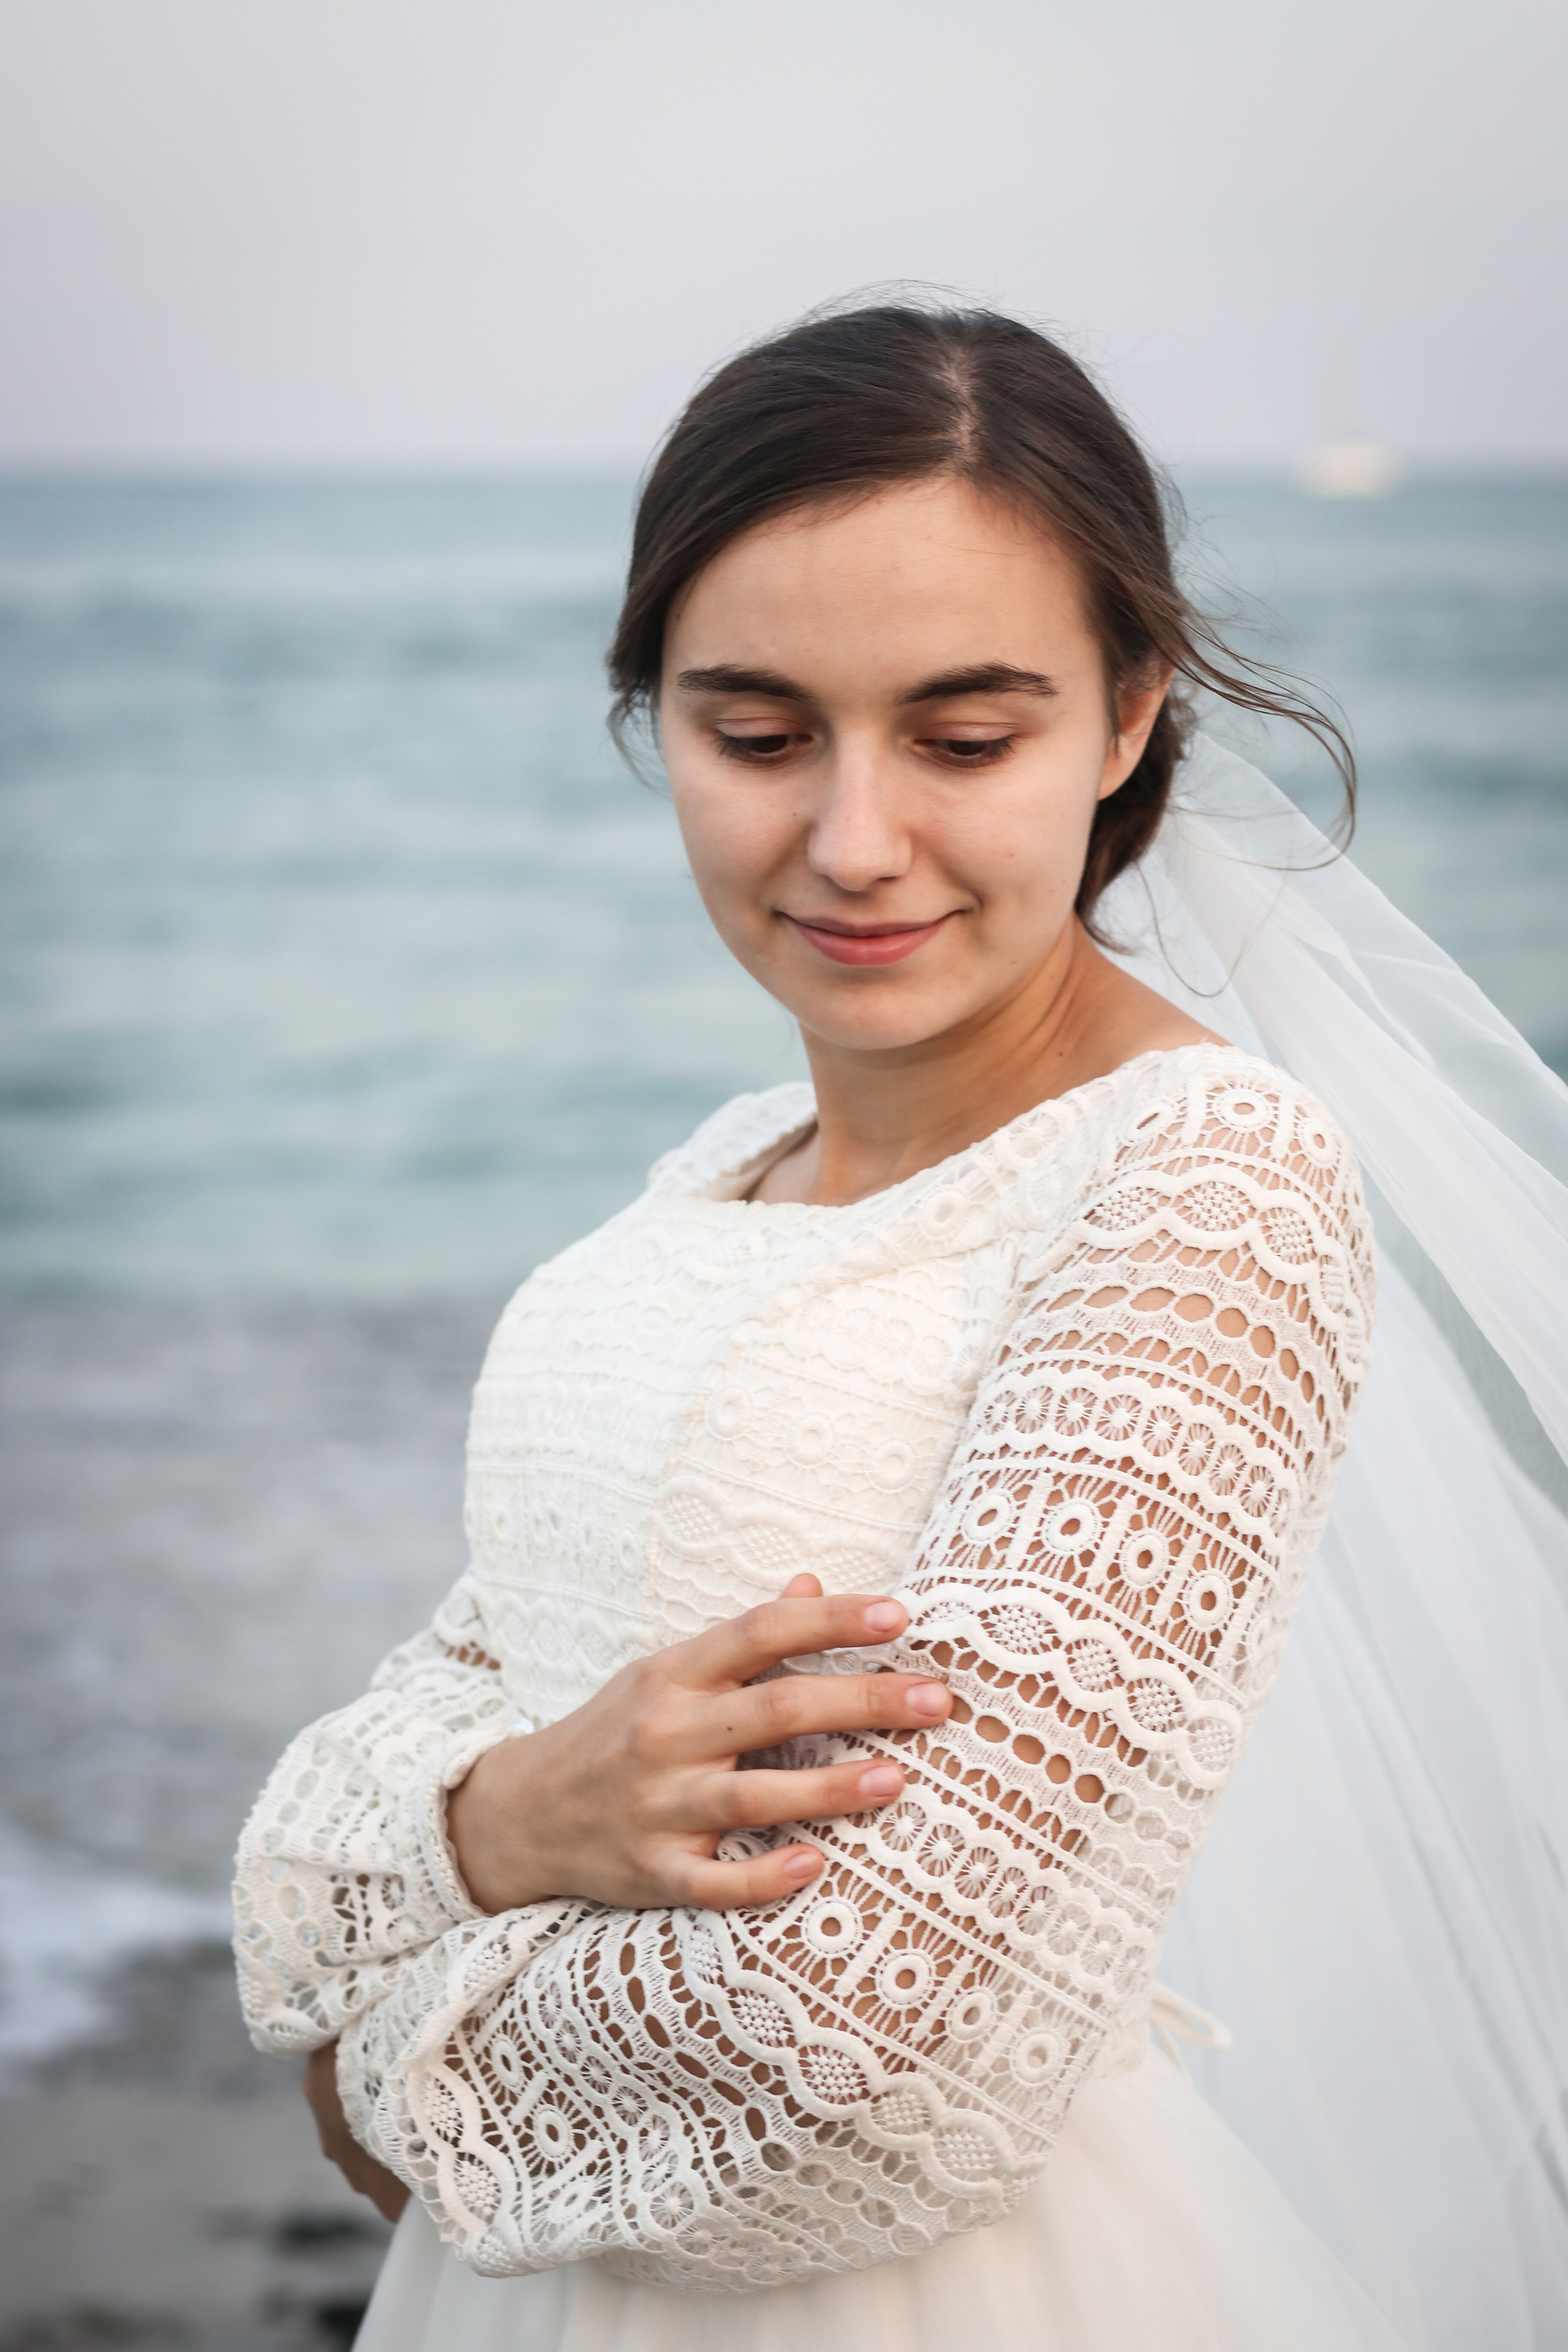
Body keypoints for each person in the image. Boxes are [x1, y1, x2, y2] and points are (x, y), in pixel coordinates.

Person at [233, 303, 1568, 2351]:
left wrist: (376, 2054)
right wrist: (507, 1817)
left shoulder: (1206, 1181)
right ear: (648, 718)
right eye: (756, 735)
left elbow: (869, 2054)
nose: (853, 840)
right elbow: (403, 1737)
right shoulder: (715, 1174)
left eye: (966, 738)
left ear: (1128, 721)